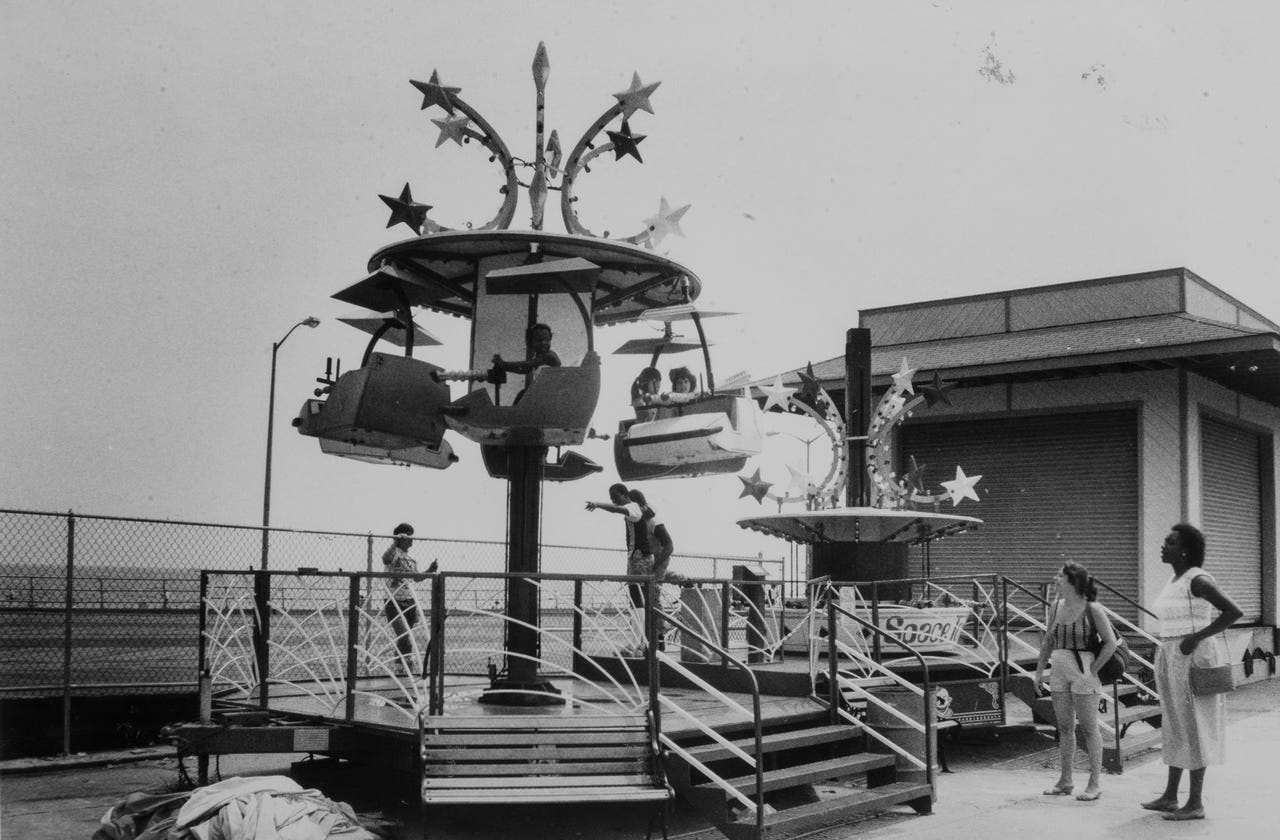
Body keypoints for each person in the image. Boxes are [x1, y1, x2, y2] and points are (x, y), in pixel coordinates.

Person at [1140, 524, 1242, 821]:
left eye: (1170, 542)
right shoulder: (1175, 579)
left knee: (1196, 724)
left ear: (1185, 550)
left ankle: (1195, 803)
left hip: (1193, 656)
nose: (1164, 546)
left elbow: (1233, 611)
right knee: (1175, 723)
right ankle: (1170, 795)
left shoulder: (1198, 580)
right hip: (1171, 653)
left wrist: (1196, 638)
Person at [1033, 562, 1118, 802]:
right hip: (1059, 668)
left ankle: (1094, 783)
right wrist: (1039, 672)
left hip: (1083, 669)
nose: (1055, 579)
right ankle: (1065, 780)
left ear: (1074, 581)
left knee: (1089, 728)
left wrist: (1093, 670)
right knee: (1064, 728)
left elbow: (1110, 643)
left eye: (1060, 576)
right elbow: (1048, 641)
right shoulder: (1055, 606)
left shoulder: (1092, 608)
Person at [585, 483, 652, 654]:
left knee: (637, 598)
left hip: (639, 557)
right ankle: (641, 641)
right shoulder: (635, 508)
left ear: (624, 494)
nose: (613, 500)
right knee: (637, 598)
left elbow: (616, 509)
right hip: (638, 556)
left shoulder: (633, 508)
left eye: (615, 497)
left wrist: (598, 505)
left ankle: (637, 642)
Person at [381, 522, 436, 675]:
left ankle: (400, 669)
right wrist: (395, 541)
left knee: (404, 638)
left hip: (409, 601)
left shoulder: (411, 559)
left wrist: (429, 570)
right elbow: (385, 559)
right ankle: (408, 668)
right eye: (408, 537)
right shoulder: (393, 553)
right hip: (394, 601)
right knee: (405, 637)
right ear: (401, 538)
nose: (412, 540)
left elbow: (417, 578)